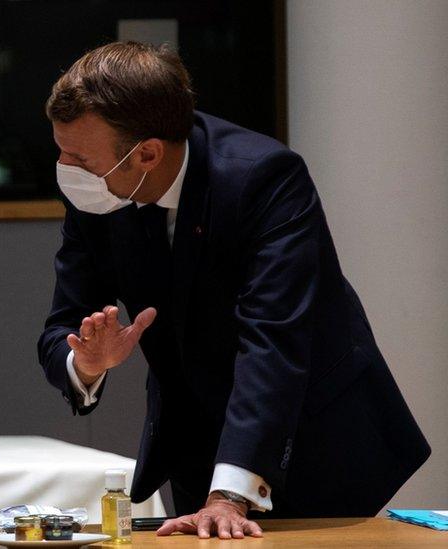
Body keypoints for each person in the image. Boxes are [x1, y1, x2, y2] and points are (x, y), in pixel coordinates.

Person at [36, 42, 430, 540]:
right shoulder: (97, 186)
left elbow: (273, 338)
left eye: (78, 157)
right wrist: (87, 363)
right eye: (61, 151)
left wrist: (229, 494)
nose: (65, 169)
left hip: (315, 438)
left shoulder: (265, 178)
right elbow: (62, 325)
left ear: (147, 154)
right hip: (198, 440)